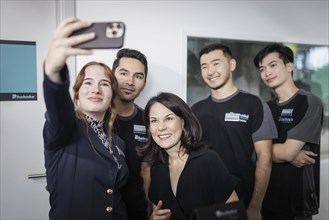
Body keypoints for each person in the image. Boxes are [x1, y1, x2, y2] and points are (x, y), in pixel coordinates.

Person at [42, 17, 129, 220]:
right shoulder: (65, 128)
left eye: (105, 84)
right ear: (77, 92)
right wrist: (54, 70)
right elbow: (57, 108)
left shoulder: (118, 142)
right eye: (88, 83)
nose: (96, 89)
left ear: (112, 96)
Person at [191, 43, 278, 220]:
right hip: (205, 203)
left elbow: (265, 158)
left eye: (216, 63)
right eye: (204, 66)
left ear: (232, 65)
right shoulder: (195, 110)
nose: (210, 71)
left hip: (243, 202)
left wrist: (255, 206)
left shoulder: (254, 105)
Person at [138, 92, 239, 220]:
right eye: (154, 121)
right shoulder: (156, 166)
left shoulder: (208, 160)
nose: (161, 127)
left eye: (168, 118)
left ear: (183, 122)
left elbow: (233, 214)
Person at [253, 43, 323, 220]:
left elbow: (286, 152)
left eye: (273, 65)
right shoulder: (264, 108)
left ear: (289, 66)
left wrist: (269, 153)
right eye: (262, 69)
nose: (267, 73)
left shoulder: (309, 102)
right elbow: (251, 148)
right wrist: (286, 153)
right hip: (265, 199)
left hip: (296, 202)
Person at [112, 48, 149, 220]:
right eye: (124, 73)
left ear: (144, 83)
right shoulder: (94, 119)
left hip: (137, 213)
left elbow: (146, 170)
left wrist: (149, 209)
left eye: (138, 76)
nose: (130, 81)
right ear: (112, 76)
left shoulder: (149, 121)